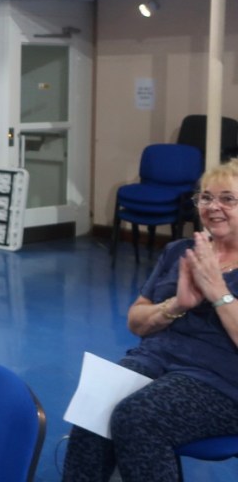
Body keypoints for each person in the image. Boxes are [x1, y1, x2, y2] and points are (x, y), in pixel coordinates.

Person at [61, 159, 238, 482]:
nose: (214, 206)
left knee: (137, 417)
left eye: (227, 198)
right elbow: (136, 322)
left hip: (221, 381)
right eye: (206, 197)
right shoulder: (180, 251)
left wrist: (218, 291)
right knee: (94, 405)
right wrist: (175, 305)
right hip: (156, 360)